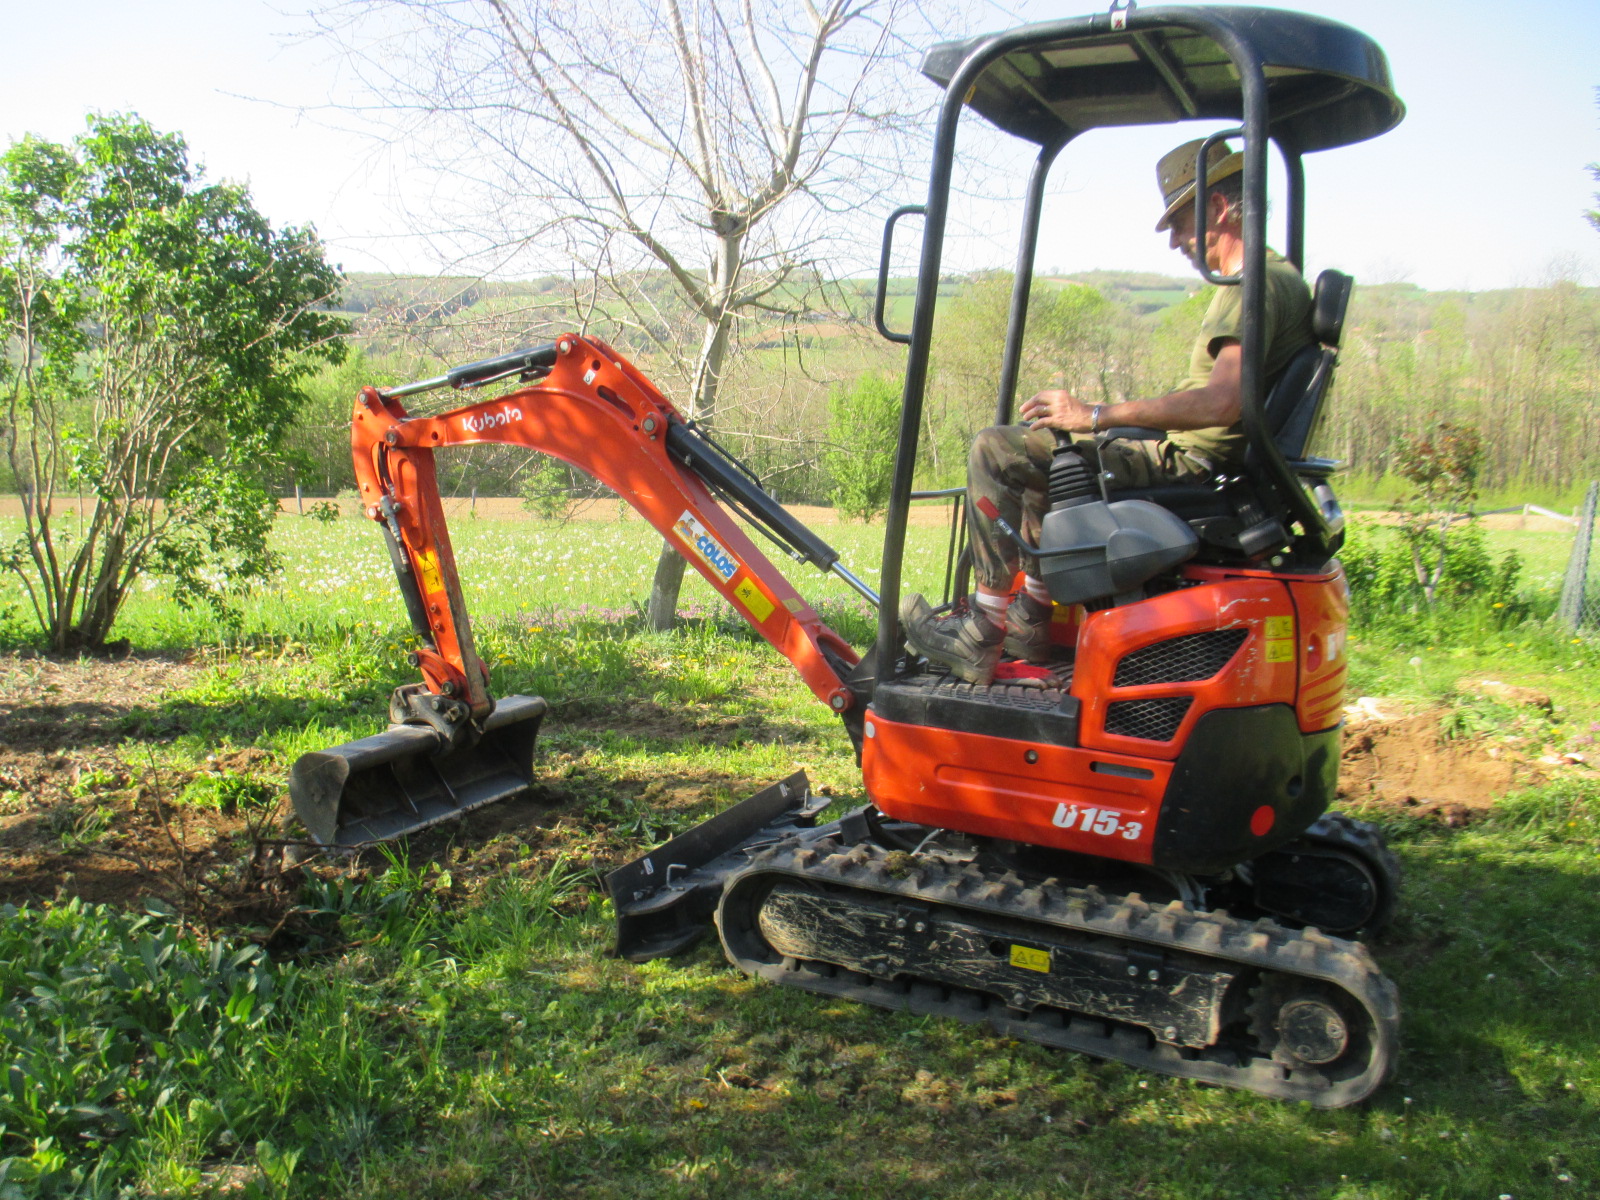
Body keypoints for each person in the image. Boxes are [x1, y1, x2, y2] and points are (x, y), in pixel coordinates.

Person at [901, 137, 1315, 685]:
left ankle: (982, 628)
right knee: (1048, 451)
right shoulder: (1275, 279)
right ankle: (1029, 618)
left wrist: (1094, 415)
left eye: (1181, 223)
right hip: (1208, 465)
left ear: (1218, 209)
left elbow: (1222, 402)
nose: (1176, 243)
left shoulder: (1251, 287)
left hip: (1191, 469)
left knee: (996, 449)